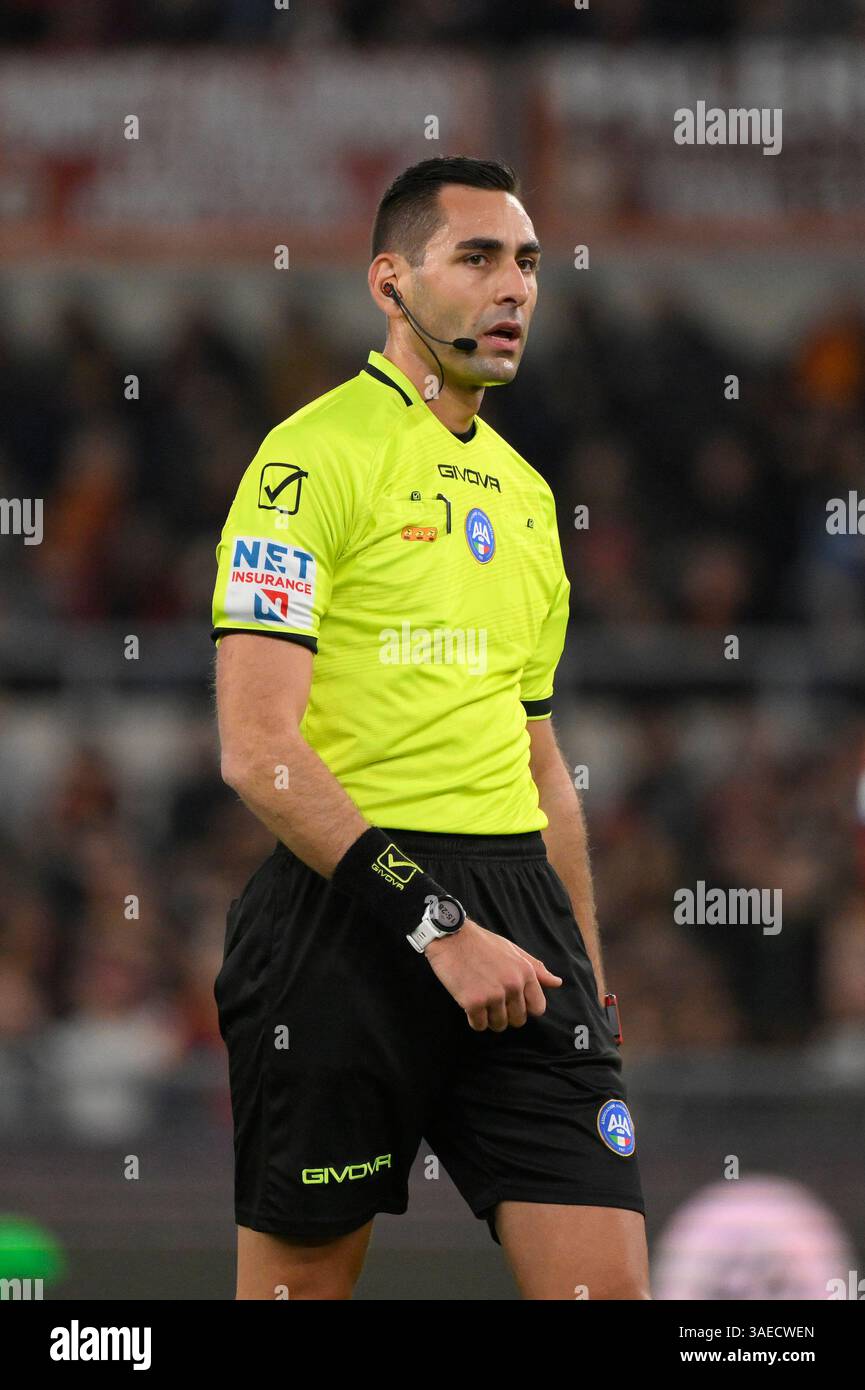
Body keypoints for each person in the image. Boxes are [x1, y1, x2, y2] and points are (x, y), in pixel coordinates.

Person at [211, 155, 649, 1300]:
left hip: (519, 920)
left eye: (528, 263)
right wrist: (435, 922)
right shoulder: (307, 460)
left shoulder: (526, 494)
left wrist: (588, 971)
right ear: (390, 282)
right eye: (478, 258)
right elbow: (257, 749)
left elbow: (539, 760)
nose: (514, 287)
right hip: (347, 917)